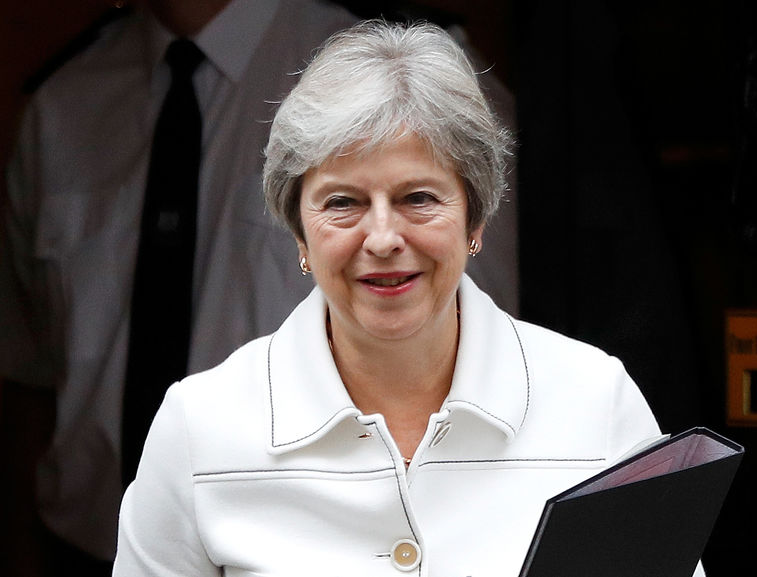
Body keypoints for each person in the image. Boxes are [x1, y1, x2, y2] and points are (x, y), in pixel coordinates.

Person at [113, 20, 703, 576]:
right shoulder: (201, 426)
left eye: (419, 197)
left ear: (475, 217)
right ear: (298, 231)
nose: (384, 238)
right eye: (342, 202)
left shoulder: (595, 402)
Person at [0, 2, 519, 575]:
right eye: (343, 203)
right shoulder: (62, 104)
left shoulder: (399, 72)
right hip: (77, 547)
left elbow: (476, 352)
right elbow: (28, 378)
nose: (380, 235)